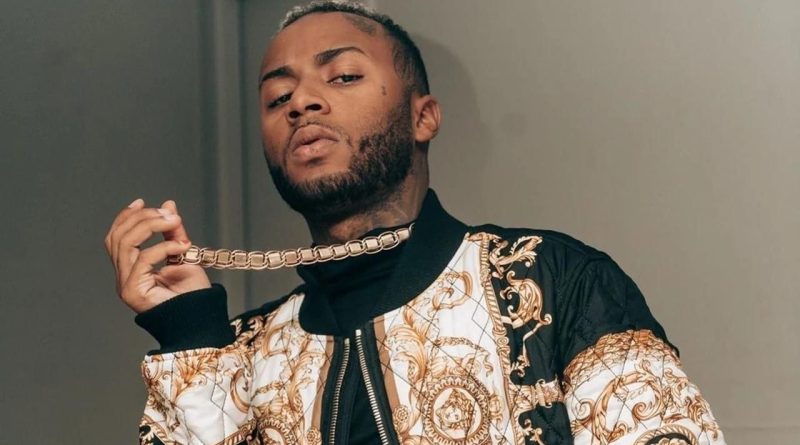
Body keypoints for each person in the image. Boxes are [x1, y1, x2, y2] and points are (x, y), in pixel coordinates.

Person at [104, 2, 727, 445]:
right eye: (277, 98)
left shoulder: (552, 282)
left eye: (343, 76)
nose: (302, 103)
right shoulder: (241, 347)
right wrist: (189, 331)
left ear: (423, 116)